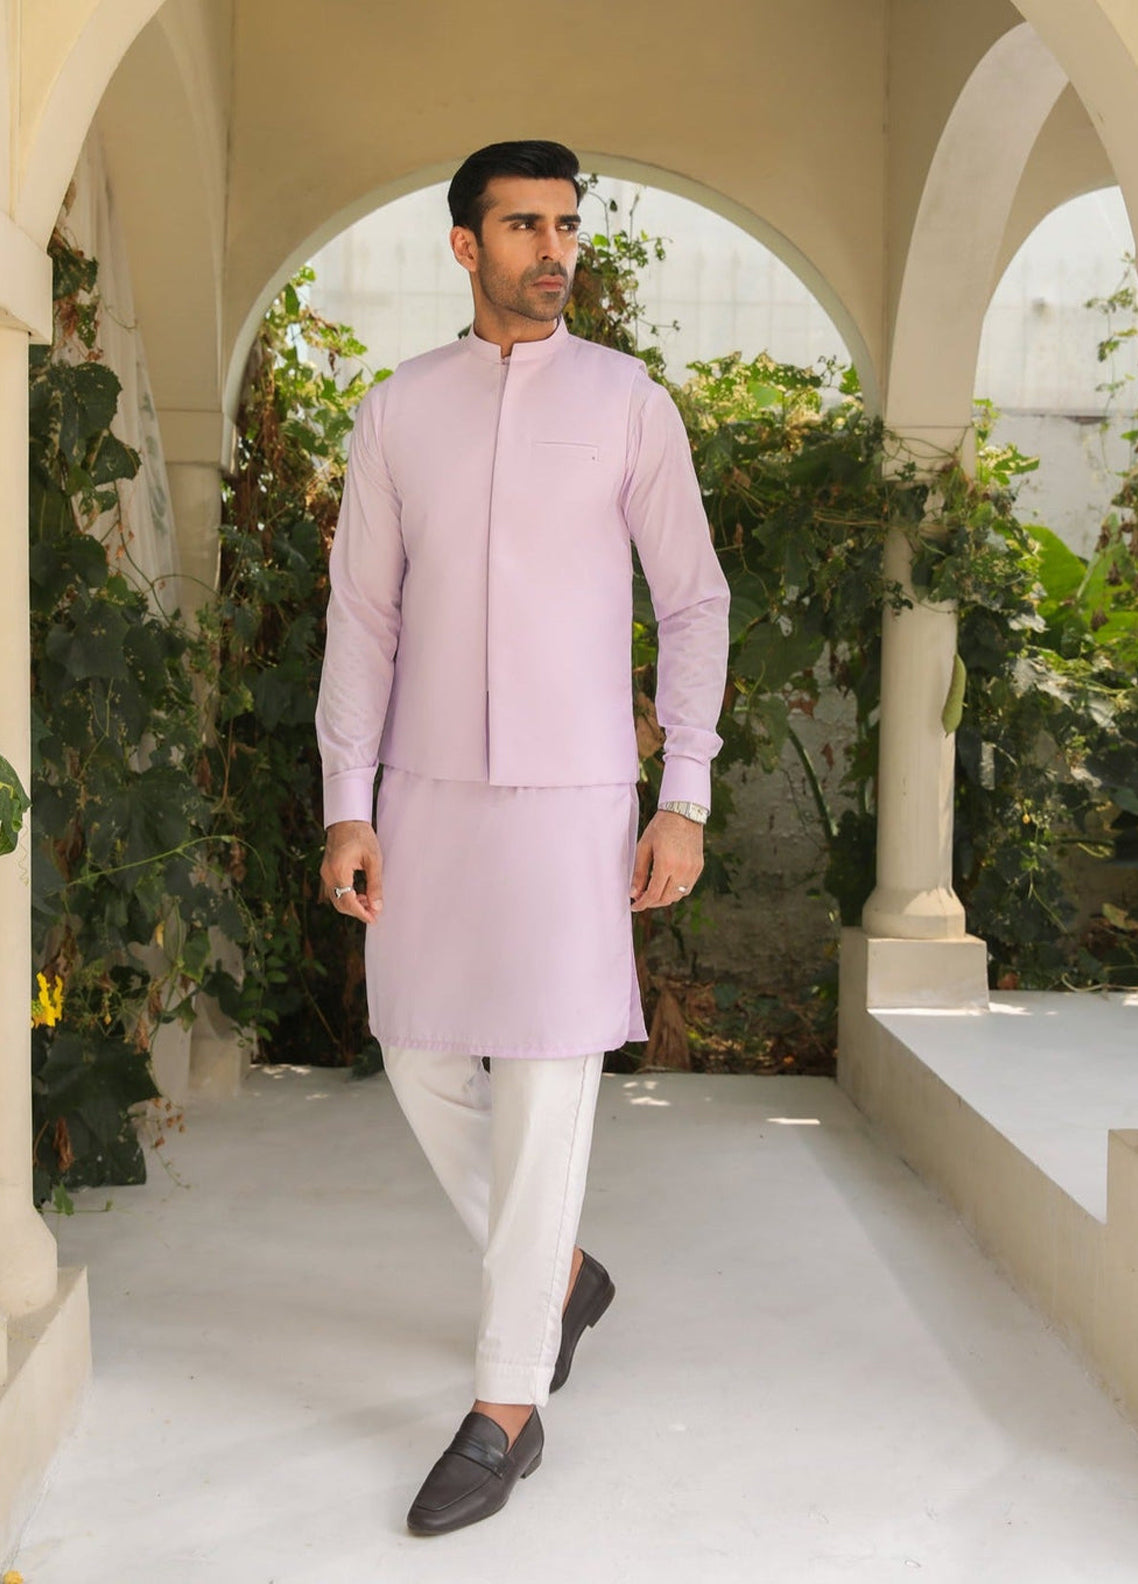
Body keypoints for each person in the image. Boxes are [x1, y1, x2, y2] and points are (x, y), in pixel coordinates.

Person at [315, 138, 730, 1536]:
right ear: (465, 244)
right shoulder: (396, 413)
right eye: (523, 226)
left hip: (575, 799)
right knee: (418, 1050)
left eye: (565, 225)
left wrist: (684, 793)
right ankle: (557, 1273)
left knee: (550, 1083)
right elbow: (363, 618)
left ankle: (506, 1407)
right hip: (424, 791)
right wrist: (349, 801)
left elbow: (692, 602)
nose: (553, 249)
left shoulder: (627, 404)